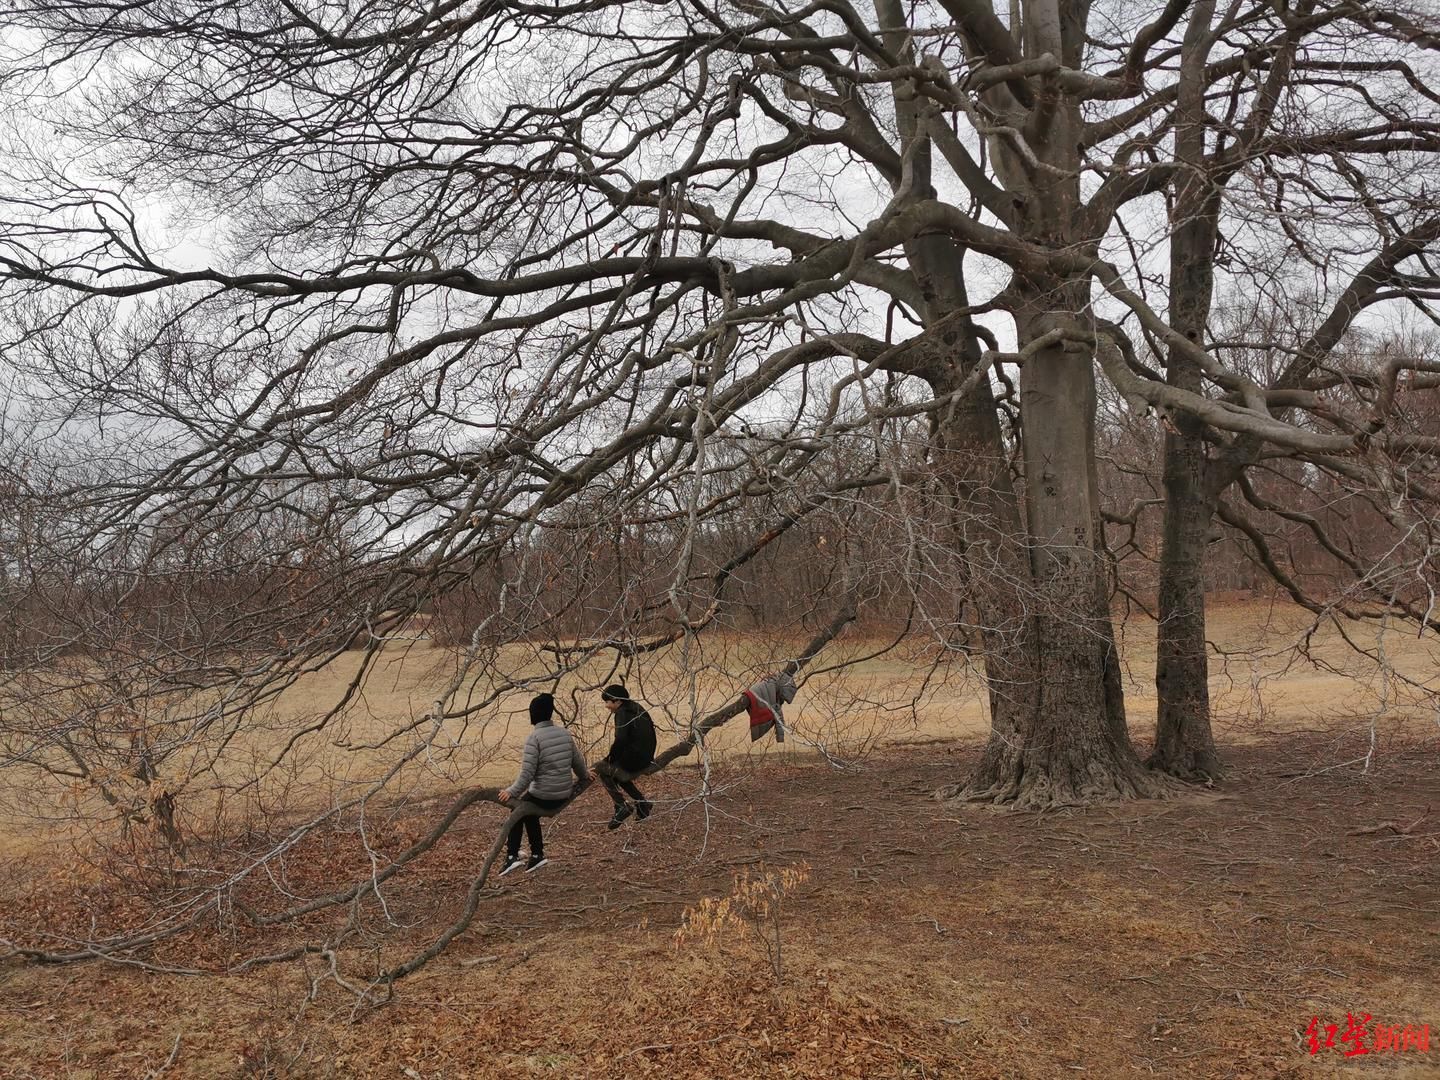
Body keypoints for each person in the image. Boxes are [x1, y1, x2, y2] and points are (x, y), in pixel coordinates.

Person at [497, 693, 589, 875]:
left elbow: (527, 774)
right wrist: (586, 774)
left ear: (533, 715)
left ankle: (511, 857)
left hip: (544, 795)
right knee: (529, 814)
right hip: (563, 793)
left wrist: (511, 792)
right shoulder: (564, 733)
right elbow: (577, 763)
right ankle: (537, 855)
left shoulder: (535, 738)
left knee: (517, 810)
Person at [594, 684, 657, 829]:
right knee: (618, 774)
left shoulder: (622, 713)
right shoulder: (635, 707)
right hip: (645, 755)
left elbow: (621, 739)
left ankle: (621, 806)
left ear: (617, 701)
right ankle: (642, 804)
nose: (606, 706)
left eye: (607, 702)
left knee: (605, 771)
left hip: (636, 756)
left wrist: (609, 758)